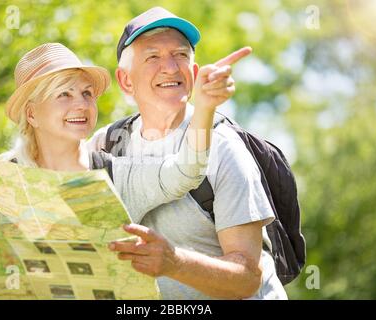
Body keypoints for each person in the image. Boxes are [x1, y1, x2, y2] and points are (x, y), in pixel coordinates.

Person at [0, 38, 237, 300]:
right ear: (31, 113)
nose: (81, 105)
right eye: (64, 95)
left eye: (86, 94)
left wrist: (205, 108)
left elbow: (186, 171)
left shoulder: (118, 177)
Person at [88, 7, 288, 299]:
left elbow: (247, 278)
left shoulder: (223, 147)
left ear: (193, 73)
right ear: (126, 80)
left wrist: (175, 263)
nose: (170, 67)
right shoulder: (106, 144)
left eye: (180, 55)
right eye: (153, 56)